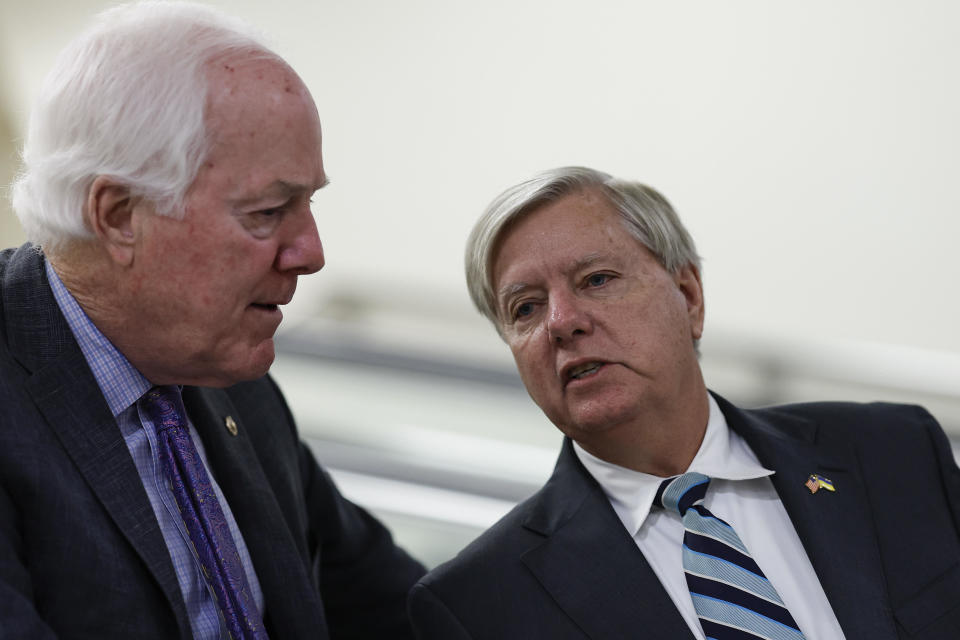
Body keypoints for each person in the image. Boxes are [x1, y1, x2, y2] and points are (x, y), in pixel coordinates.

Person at [0, 3, 424, 638]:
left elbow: (400, 603)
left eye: (308, 204)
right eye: (268, 210)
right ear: (119, 215)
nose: (311, 252)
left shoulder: (228, 380)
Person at [408, 166, 960, 639]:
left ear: (689, 297)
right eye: (525, 308)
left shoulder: (895, 452)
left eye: (597, 279)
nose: (561, 322)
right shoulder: (478, 605)